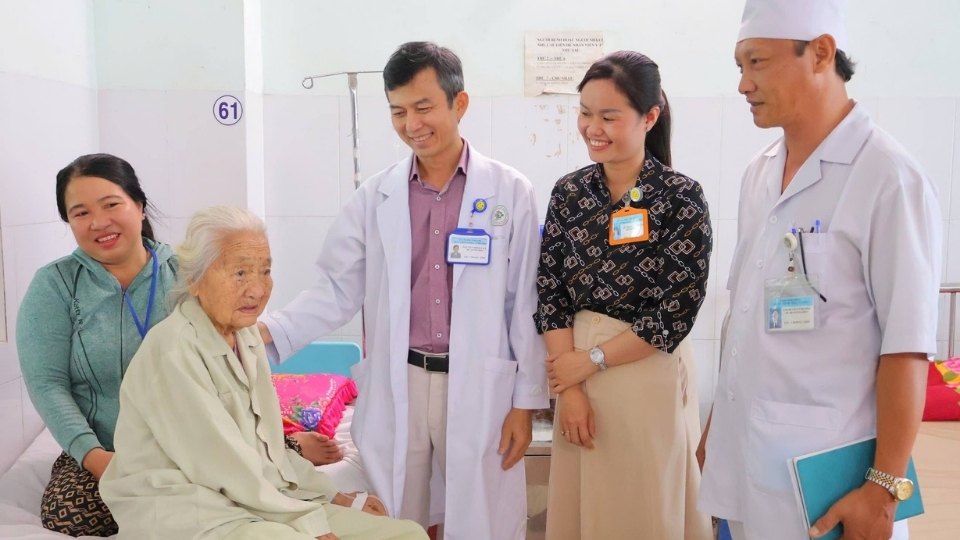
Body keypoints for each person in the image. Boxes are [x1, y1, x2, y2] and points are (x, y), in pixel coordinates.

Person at [259, 41, 547, 539]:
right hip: (403, 379)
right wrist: (268, 332)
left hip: (479, 379)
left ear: (460, 104)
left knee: (479, 514)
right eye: (398, 111)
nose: (412, 124)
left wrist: (526, 401)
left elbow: (524, 303)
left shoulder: (509, 191)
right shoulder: (376, 196)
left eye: (423, 107)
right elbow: (335, 289)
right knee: (395, 516)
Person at [697, 2, 942, 539]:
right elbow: (743, 319)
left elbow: (907, 348)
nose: (743, 84)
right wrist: (716, 433)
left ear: (821, 54)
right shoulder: (759, 174)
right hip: (742, 467)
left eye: (757, 62)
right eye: (739, 67)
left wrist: (883, 491)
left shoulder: (888, 178)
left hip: (830, 487)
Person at [99, 206, 426, 540]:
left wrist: (334, 496)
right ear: (194, 281)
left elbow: (271, 449)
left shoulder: (247, 335)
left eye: (265, 271)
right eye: (240, 273)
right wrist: (309, 523)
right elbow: (221, 463)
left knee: (407, 534)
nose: (257, 289)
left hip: (257, 498)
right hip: (188, 509)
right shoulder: (173, 350)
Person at [535, 51, 713, 540]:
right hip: (574, 372)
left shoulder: (680, 197)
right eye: (586, 113)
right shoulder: (569, 193)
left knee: (643, 505)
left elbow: (674, 313)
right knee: (583, 509)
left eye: (609, 116)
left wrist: (589, 360)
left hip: (643, 369)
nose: (594, 127)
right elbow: (550, 292)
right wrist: (568, 388)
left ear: (649, 117)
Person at [16, 153, 178, 537]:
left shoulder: (186, 274)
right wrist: (93, 456)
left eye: (110, 205)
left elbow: (229, 363)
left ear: (138, 205)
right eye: (80, 213)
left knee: (252, 486)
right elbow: (47, 383)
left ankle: (285, 444)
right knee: (70, 515)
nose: (99, 223)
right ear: (69, 222)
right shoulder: (54, 285)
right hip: (104, 451)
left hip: (190, 440)